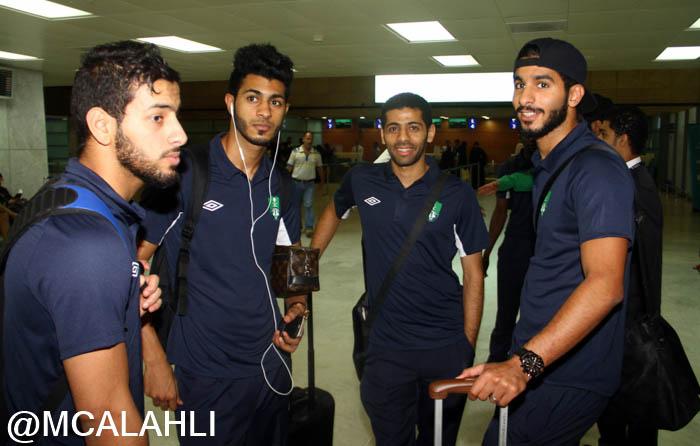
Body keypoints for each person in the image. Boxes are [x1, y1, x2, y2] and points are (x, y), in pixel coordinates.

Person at [459, 37, 635, 445]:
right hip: (543, 357)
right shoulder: (551, 165)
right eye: (519, 84)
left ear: (574, 95)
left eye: (542, 84)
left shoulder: (596, 169)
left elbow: (606, 284)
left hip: (568, 374)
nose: (525, 97)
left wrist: (523, 365)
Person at [3, 40, 178, 445]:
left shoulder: (70, 197)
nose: (179, 134)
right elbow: (108, 418)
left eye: (175, 115)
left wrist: (123, 302)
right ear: (102, 125)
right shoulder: (85, 244)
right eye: (158, 117)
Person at [137, 43, 304, 446]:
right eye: (253, 98)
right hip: (204, 374)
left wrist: (298, 308)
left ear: (285, 109)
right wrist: (153, 355)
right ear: (231, 102)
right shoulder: (184, 174)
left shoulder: (283, 185)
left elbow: (294, 263)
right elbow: (131, 264)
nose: (264, 112)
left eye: (275, 102)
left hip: (271, 366)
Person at [312, 92, 488, 446]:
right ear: (382, 133)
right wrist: (306, 265)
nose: (403, 138)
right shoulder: (362, 179)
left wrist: (466, 345)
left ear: (430, 133)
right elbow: (334, 210)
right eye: (393, 128)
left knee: (438, 440)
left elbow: (473, 274)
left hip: (444, 342)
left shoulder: (457, 194)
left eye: (413, 127)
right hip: (385, 345)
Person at [596, 106, 662, 446]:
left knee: (634, 404)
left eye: (604, 135)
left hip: (631, 317)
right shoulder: (629, 181)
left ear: (622, 140)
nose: (598, 141)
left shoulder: (634, 186)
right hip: (626, 315)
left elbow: (642, 262)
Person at [479, 142, 536, 362]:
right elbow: (500, 211)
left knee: (528, 314)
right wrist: (487, 252)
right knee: (507, 313)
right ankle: (497, 361)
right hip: (517, 247)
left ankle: (522, 363)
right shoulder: (510, 166)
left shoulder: (550, 163)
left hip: (543, 249)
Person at [287, 130, 325, 237]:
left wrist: (322, 182)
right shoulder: (295, 152)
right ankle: (297, 226)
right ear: (303, 139)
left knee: (308, 205)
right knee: (296, 206)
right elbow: (289, 167)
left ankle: (309, 227)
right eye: (307, 138)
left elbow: (320, 168)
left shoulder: (316, 153)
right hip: (296, 183)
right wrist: (284, 181)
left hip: (310, 184)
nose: (309, 141)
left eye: (311, 139)